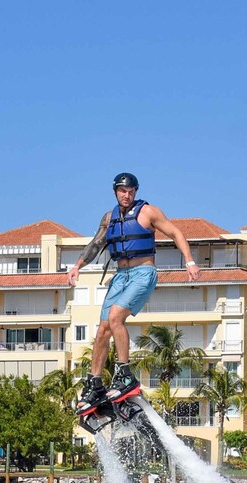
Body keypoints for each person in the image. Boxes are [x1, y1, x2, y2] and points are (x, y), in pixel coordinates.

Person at [69, 172, 201, 417]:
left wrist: (190, 261)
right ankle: (94, 384)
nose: (126, 195)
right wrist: (77, 266)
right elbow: (96, 244)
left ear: (135, 192)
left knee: (117, 316)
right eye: (122, 191)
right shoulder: (109, 218)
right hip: (120, 276)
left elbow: (176, 233)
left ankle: (124, 374)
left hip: (143, 273)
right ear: (115, 192)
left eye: (130, 191)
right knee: (102, 330)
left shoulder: (148, 212)